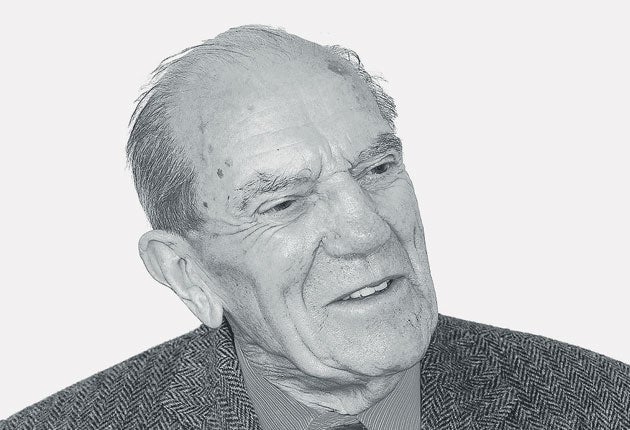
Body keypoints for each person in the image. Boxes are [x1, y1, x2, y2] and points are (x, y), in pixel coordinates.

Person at [2, 25, 628, 430]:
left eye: (378, 168)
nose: (366, 231)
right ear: (188, 274)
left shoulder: (604, 405)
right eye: (283, 204)